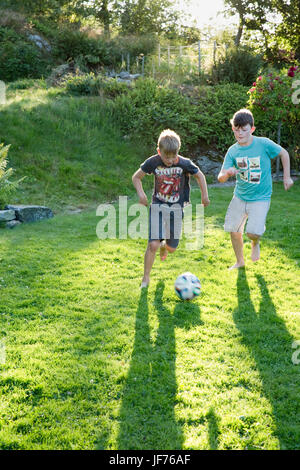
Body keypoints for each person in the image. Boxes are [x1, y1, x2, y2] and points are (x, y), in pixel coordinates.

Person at [132, 129, 210, 288]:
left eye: (173, 156)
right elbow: (136, 177)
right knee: (152, 244)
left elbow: (200, 175)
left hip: (176, 209)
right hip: (158, 207)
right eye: (166, 157)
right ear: (159, 151)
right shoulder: (153, 162)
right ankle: (145, 278)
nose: (170, 160)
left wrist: (204, 196)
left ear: (177, 152)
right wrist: (141, 195)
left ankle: (164, 246)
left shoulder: (184, 163)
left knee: (172, 248)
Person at [218, 108, 294, 270]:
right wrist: (227, 174)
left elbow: (284, 154)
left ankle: (255, 242)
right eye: (236, 130)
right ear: (233, 129)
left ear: (252, 129)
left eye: (244, 130)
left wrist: (287, 177)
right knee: (233, 230)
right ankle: (239, 262)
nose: (240, 134)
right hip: (239, 196)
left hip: (261, 197)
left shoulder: (263, 143)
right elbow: (221, 176)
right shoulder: (233, 151)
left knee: (252, 232)